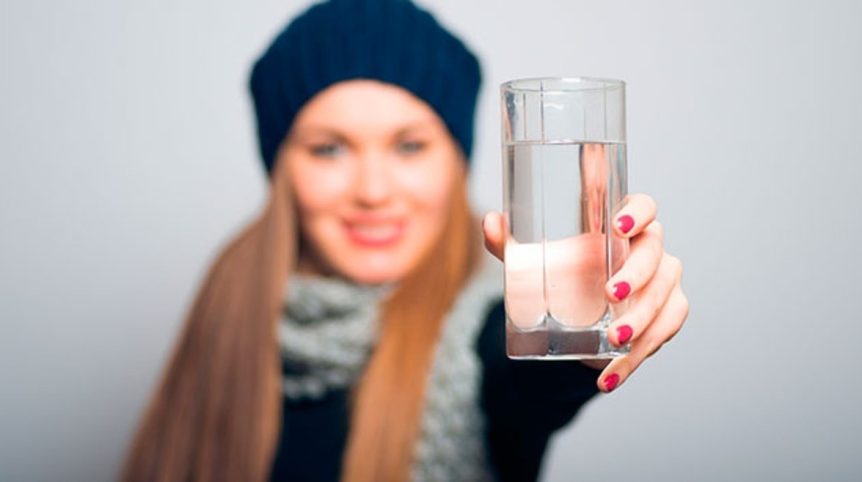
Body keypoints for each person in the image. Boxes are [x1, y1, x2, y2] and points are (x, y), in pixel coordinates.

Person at [120, 0, 689, 481]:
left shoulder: (490, 328)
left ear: (456, 164)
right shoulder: (227, 306)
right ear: (282, 170)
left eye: (410, 146)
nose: (373, 191)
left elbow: (527, 375)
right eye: (329, 148)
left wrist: (580, 326)